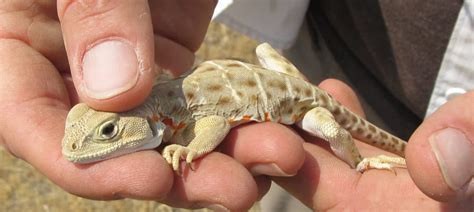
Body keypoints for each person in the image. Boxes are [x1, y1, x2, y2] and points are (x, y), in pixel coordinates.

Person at [0, 1, 471, 211]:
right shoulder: (162, 99)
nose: (85, 144)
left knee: (328, 134)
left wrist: (192, 151)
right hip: (328, 36)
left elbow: (216, 123)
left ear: (150, 124)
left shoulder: (183, 121)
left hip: (303, 103)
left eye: (107, 134)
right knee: (284, 155)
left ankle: (363, 163)